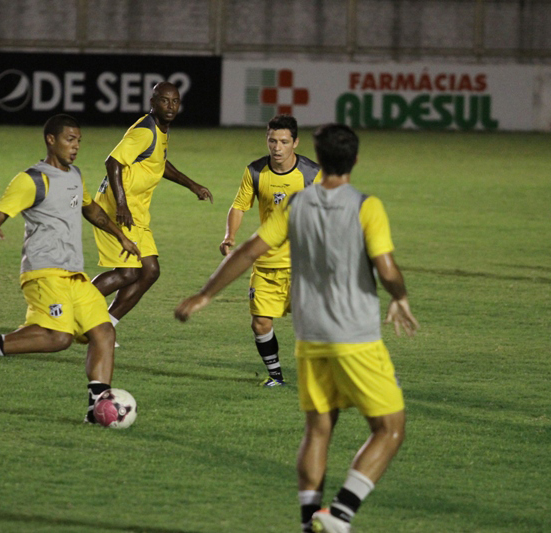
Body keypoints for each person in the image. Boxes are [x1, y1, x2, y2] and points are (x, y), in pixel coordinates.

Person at [175, 123, 419, 533]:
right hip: (355, 336)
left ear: (317, 161)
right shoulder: (366, 205)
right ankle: (340, 514)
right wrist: (399, 296)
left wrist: (204, 295)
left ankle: (310, 520)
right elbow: (387, 267)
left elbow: (251, 249)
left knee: (319, 428)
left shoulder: (298, 205)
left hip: (311, 338)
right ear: (355, 160)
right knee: (390, 428)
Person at [0, 114, 141, 424]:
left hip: (75, 275)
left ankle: (96, 410)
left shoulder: (75, 176)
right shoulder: (32, 180)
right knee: (58, 338)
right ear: (50, 140)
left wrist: (121, 236)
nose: (76, 146)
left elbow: (91, 209)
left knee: (104, 332)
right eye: (70, 139)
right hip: (43, 272)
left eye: (79, 140)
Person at [91, 81, 213, 343]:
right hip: (118, 210)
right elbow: (112, 161)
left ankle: (106, 326)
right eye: (165, 100)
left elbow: (158, 163)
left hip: (136, 212)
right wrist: (122, 203)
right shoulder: (145, 131)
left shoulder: (161, 131)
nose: (170, 106)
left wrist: (192, 185)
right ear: (152, 102)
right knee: (128, 273)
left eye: (175, 101)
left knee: (149, 271)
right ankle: (70, 305)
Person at [219, 114, 320, 387]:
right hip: (266, 264)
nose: (276, 147)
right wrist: (230, 235)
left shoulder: (312, 174)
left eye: (284, 142)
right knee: (260, 323)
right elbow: (239, 205)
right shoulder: (255, 171)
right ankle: (276, 376)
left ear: (295, 143)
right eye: (272, 140)